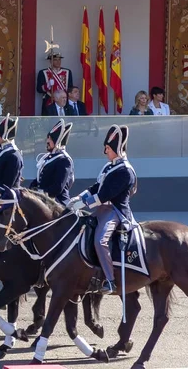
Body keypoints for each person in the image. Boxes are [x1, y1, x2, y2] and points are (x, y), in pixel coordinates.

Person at [68, 124, 138, 295]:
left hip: (116, 212)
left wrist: (83, 204)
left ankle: (110, 280)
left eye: (107, 148)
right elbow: (96, 187)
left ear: (116, 149)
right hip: (102, 208)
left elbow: (104, 195)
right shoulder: (109, 166)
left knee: (100, 240)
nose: (105, 151)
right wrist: (79, 197)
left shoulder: (125, 171)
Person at [29, 119, 74, 205]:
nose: (47, 141)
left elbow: (57, 188)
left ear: (57, 141)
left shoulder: (64, 160)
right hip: (43, 200)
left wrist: (39, 193)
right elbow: (40, 180)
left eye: (50, 139)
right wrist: (31, 189)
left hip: (57, 203)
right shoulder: (50, 157)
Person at [0, 114, 23, 190]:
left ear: (6, 136)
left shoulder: (13, 155)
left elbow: (7, 185)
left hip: (6, 198)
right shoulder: (1, 150)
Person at [37, 51, 73, 116]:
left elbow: (70, 88)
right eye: (55, 60)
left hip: (64, 101)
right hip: (49, 101)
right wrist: (47, 85)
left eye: (59, 60)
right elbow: (39, 89)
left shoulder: (67, 72)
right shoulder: (43, 72)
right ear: (50, 61)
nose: (58, 62)